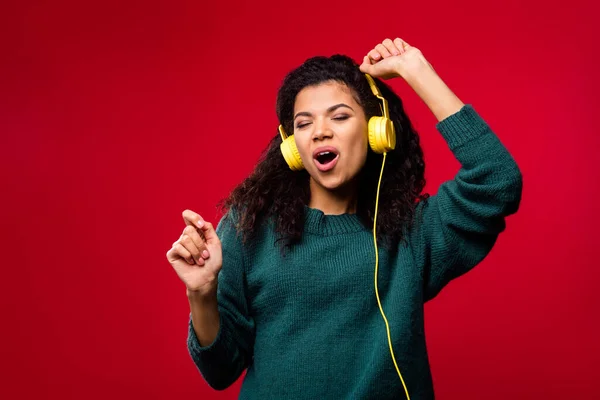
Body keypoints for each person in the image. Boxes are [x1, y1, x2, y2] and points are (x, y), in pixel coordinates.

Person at [166, 37, 522, 399]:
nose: (320, 131)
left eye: (339, 116)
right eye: (303, 124)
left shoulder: (411, 235)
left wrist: (417, 71)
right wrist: (201, 293)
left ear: (375, 133)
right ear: (292, 147)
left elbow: (497, 180)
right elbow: (221, 370)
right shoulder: (248, 228)